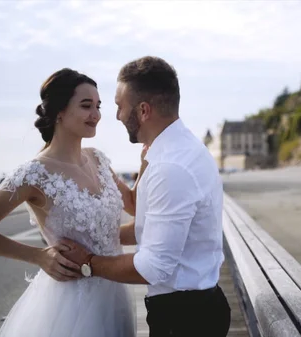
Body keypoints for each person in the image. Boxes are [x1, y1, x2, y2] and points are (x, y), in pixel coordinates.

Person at [0, 68, 143, 337]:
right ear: (59, 111)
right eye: (85, 106)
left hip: (115, 292)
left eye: (98, 106)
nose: (96, 115)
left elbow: (133, 205)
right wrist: (38, 256)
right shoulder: (35, 173)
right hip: (70, 304)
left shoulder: (98, 159)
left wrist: (148, 162)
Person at [60, 56, 231, 337]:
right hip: (195, 309)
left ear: (142, 110)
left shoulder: (171, 167)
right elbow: (151, 227)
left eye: (119, 106)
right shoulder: (177, 149)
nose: (114, 115)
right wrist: (102, 235)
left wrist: (87, 261)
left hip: (185, 320)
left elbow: (154, 267)